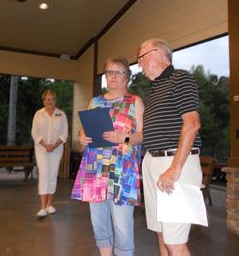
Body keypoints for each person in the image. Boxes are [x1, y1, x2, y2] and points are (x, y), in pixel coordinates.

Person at [71, 56, 144, 256]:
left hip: (122, 174)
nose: (112, 76)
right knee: (98, 223)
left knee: (122, 226)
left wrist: (123, 137)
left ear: (127, 77)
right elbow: (84, 131)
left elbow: (143, 136)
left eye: (118, 72)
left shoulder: (135, 102)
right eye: (109, 72)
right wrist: (82, 137)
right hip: (95, 171)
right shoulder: (94, 102)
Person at [138, 38, 202, 256]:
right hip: (152, 162)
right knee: (162, 234)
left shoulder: (180, 78)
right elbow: (148, 134)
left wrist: (175, 168)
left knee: (175, 241)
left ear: (157, 53)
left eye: (141, 58)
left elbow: (192, 123)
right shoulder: (153, 91)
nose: (139, 65)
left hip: (175, 163)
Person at [31, 89, 68, 217]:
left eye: (52, 99)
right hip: (41, 149)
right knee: (44, 174)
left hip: (57, 150)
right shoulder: (38, 114)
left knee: (52, 175)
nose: (49, 101)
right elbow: (34, 133)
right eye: (47, 99)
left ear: (55, 100)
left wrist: (55, 145)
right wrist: (46, 145)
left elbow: (64, 134)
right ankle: (42, 207)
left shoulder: (61, 114)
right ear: (43, 100)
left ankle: (49, 205)